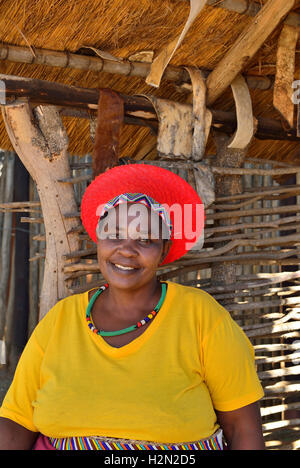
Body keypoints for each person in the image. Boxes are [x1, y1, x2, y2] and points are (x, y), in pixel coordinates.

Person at [0, 164, 265, 450]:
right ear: (98, 241)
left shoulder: (201, 316)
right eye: (114, 235)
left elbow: (242, 428)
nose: (126, 249)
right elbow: (16, 422)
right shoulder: (61, 320)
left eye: (145, 240)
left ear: (164, 250)